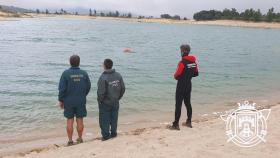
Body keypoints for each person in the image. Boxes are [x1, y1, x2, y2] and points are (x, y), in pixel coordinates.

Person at [58, 55, 91, 146]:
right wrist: (83, 95)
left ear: (70, 62)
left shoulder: (65, 73)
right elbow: (88, 86)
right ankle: (80, 139)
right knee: (80, 119)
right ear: (79, 62)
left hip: (68, 101)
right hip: (80, 100)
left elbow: (62, 89)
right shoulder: (84, 73)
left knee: (70, 120)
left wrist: (61, 100)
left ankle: (70, 141)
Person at [169, 44, 199, 130]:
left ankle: (175, 125)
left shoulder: (182, 63)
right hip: (188, 85)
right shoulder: (194, 63)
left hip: (181, 85)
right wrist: (188, 76)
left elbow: (176, 76)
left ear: (182, 52)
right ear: (188, 51)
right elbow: (196, 74)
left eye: (180, 50)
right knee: (188, 103)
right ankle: (189, 122)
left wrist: (179, 76)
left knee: (178, 105)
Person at [97, 59, 125, 141]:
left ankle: (106, 136)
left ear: (104, 66)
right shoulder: (118, 75)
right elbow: (122, 88)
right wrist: (118, 97)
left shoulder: (103, 77)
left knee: (104, 119)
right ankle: (113, 133)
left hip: (106, 102)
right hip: (115, 101)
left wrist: (100, 100)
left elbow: (101, 93)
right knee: (114, 118)